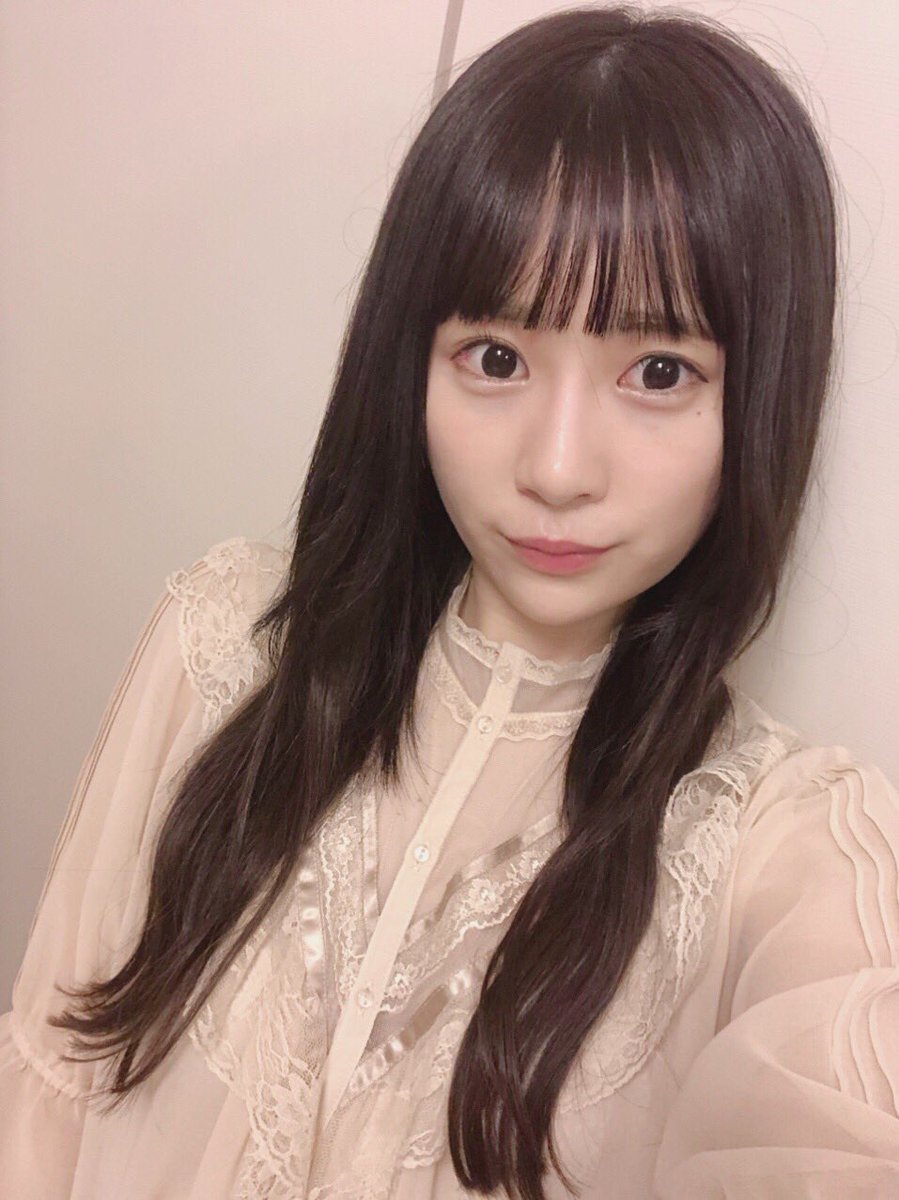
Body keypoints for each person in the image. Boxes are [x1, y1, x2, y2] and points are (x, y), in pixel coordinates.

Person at [2, 5, 897, 1198]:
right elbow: (46, 1099)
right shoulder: (221, 645)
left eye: (657, 371)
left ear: (759, 401)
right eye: (495, 357)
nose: (556, 468)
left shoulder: (777, 853)